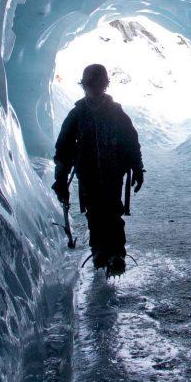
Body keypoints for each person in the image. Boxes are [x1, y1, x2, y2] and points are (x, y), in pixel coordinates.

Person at [52, 63, 145, 276]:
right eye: (91, 84)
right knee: (95, 213)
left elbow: (130, 141)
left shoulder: (116, 112)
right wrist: (60, 179)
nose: (94, 88)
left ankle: (116, 255)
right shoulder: (77, 114)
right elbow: (63, 150)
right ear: (85, 86)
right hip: (88, 174)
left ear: (104, 85)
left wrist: (137, 167)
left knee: (112, 212)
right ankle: (100, 251)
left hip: (113, 173)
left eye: (98, 84)